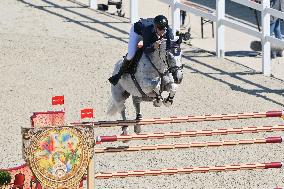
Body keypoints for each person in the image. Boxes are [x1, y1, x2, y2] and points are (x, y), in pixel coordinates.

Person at [108, 15, 174, 86]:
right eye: (160, 29)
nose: (163, 32)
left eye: (164, 29)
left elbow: (172, 46)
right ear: (155, 28)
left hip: (150, 33)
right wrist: (153, 46)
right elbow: (146, 50)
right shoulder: (147, 30)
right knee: (131, 54)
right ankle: (119, 75)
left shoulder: (168, 31)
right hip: (137, 32)